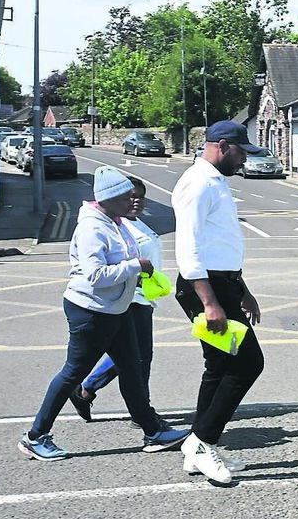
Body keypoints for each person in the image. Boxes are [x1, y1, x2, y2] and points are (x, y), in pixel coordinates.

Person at [17, 167, 189, 461]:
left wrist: (137, 275)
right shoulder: (92, 228)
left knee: (132, 368)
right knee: (73, 372)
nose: (131, 203)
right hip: (91, 310)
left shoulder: (114, 221)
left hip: (116, 308)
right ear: (107, 199)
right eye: (124, 198)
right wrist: (137, 267)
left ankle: (152, 431)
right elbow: (95, 274)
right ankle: (35, 437)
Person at [172, 120, 264, 486]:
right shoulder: (198, 184)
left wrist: (242, 289)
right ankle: (202, 441)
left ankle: (198, 446)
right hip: (204, 288)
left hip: (223, 285)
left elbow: (219, 246)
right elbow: (189, 249)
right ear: (222, 146)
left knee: (218, 366)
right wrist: (210, 303)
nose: (245, 160)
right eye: (242, 152)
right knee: (247, 364)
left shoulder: (215, 181)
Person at [69, 177, 167, 429]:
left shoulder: (135, 223)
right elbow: (104, 267)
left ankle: (87, 390)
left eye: (140, 197)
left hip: (144, 296)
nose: (135, 201)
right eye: (130, 196)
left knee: (132, 356)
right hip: (130, 298)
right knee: (139, 357)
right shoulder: (116, 226)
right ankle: (141, 412)